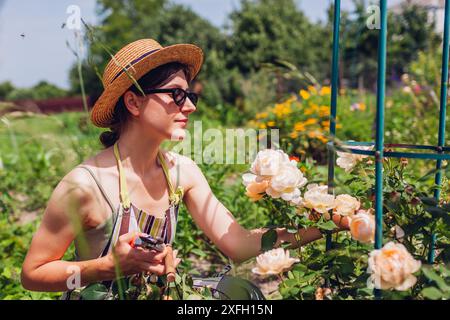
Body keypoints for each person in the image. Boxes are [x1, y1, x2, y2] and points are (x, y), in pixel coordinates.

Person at [21, 39, 349, 297]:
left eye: (190, 95)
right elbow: (33, 274)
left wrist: (329, 222)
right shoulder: (85, 185)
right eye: (176, 95)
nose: (190, 106)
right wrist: (109, 266)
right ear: (133, 102)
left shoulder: (182, 172)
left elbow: (239, 243)